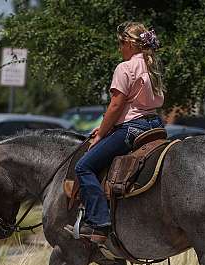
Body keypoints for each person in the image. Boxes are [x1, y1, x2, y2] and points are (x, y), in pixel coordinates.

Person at [70, 21, 166, 241]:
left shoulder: (125, 68)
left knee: (84, 167)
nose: (119, 48)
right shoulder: (153, 66)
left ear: (130, 45)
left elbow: (115, 106)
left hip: (132, 128)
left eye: (120, 43)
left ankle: (99, 222)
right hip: (155, 126)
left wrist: (101, 134)